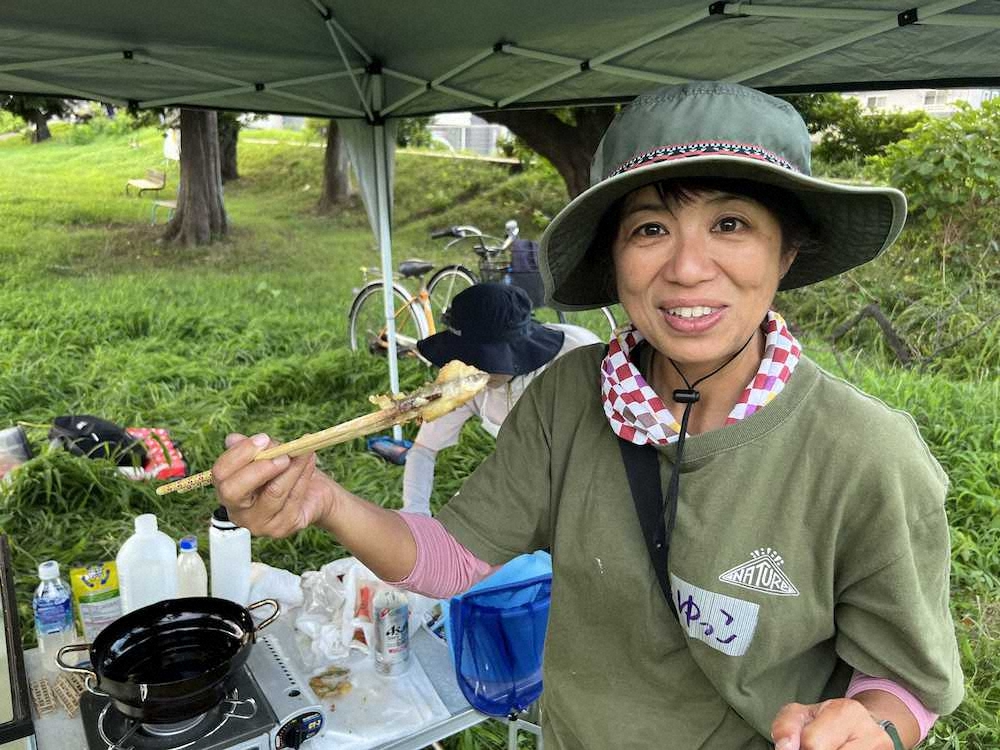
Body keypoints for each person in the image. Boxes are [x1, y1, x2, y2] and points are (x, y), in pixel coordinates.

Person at [212, 82, 963, 749]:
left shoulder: (864, 455)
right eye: (650, 229)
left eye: (730, 224)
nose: (688, 268)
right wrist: (325, 501)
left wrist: (874, 724)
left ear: (787, 251)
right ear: (616, 255)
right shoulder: (572, 393)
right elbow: (452, 561)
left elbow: (903, 684)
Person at [402, 282, 601, 516]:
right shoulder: (464, 381)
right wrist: (416, 513)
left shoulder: (577, 356)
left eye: (486, 361)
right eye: (468, 359)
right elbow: (424, 449)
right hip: (522, 476)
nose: (477, 369)